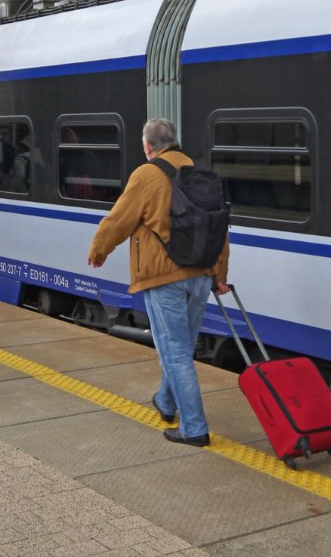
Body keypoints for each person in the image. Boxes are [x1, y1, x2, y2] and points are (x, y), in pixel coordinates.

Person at [87, 118, 230, 447]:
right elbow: (219, 228)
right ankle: (166, 403)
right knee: (181, 347)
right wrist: (220, 274)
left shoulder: (146, 174)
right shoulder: (198, 172)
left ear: (148, 146)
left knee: (175, 353)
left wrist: (99, 250)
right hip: (201, 276)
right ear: (175, 142)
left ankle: (194, 427)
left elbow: (119, 219)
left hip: (164, 278)